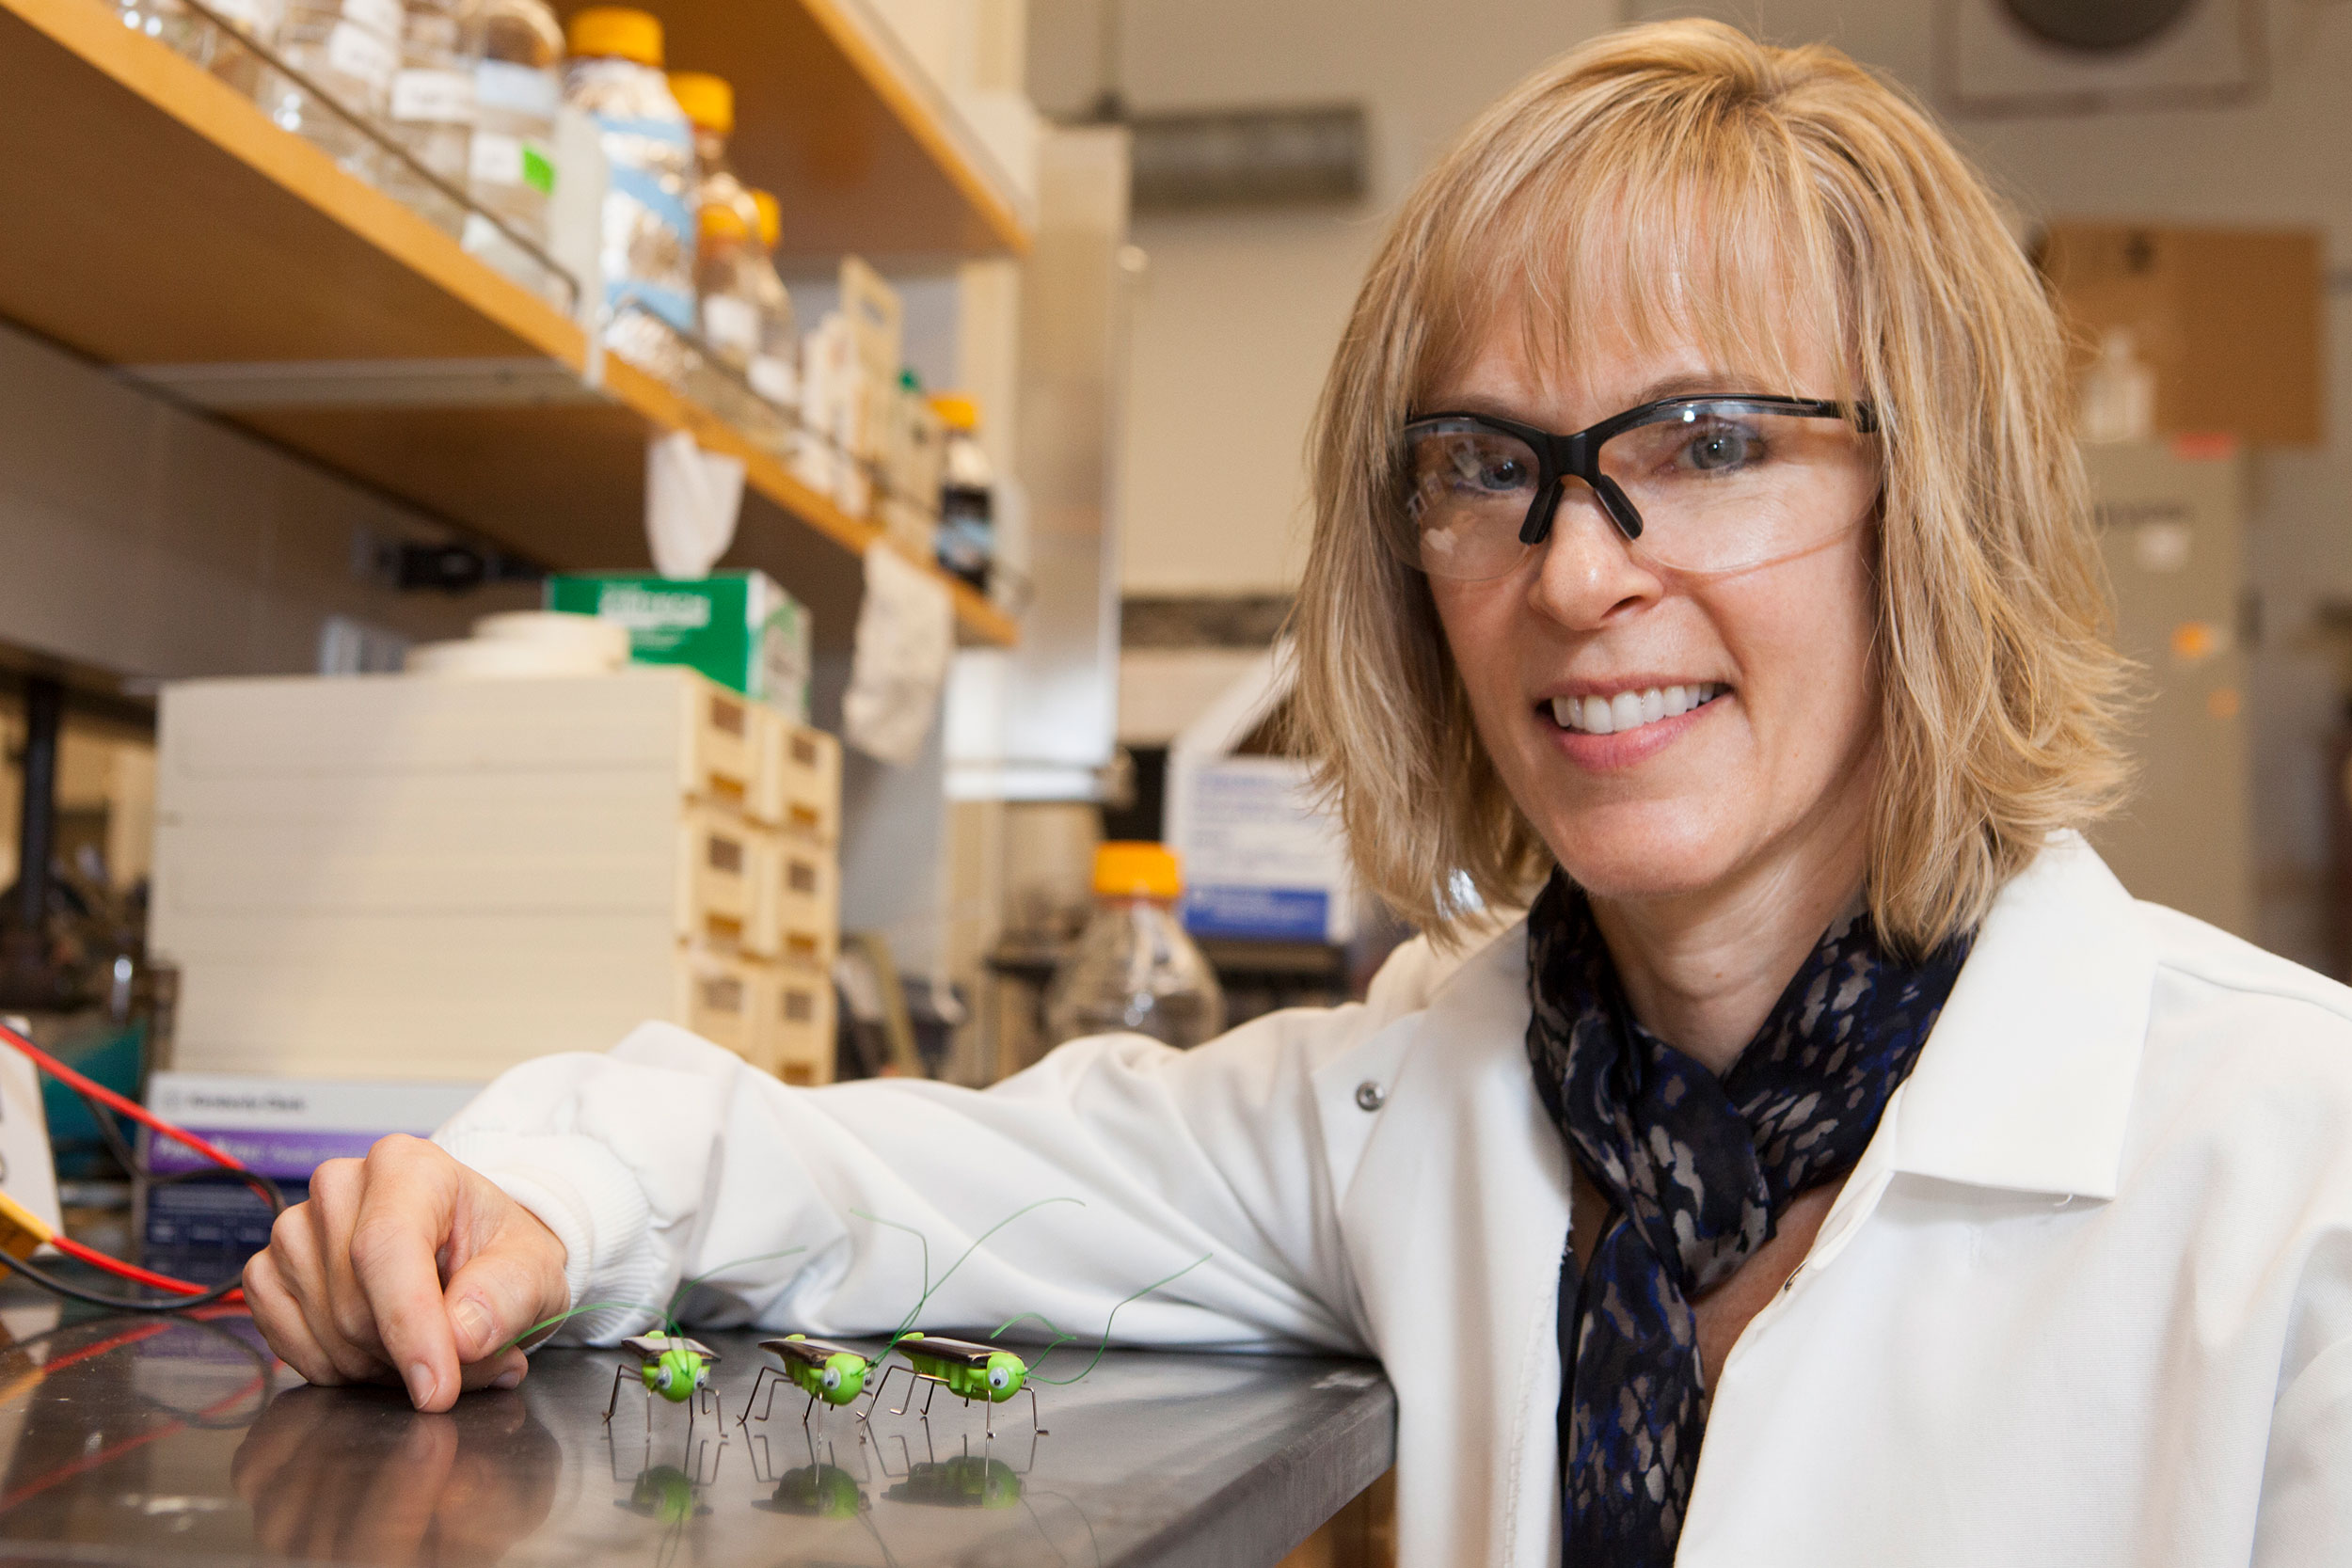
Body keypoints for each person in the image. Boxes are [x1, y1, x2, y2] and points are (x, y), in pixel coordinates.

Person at [244, 20, 2352, 1567]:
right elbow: (875, 1184)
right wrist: (527, 1191)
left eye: (1709, 442)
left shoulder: (2289, 1167)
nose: (1576, 569)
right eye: (1488, 466)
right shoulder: (1428, 1097)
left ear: (1938, 501)